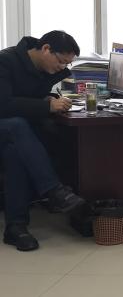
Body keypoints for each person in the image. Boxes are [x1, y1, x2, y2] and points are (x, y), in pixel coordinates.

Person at [0, 31, 89, 251]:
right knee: (17, 126)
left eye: (67, 64)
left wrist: (48, 98)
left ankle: (16, 227)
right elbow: (3, 104)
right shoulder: (5, 61)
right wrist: (45, 106)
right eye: (61, 61)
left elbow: (25, 96)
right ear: (46, 49)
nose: (62, 68)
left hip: (15, 135)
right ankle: (53, 190)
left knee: (15, 153)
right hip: (7, 124)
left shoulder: (42, 68)